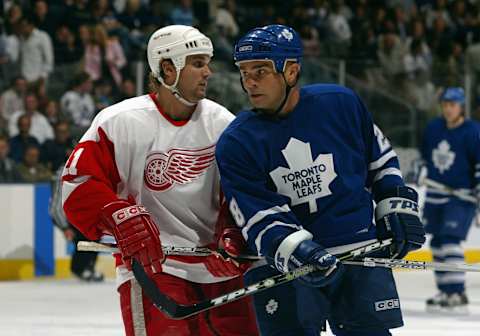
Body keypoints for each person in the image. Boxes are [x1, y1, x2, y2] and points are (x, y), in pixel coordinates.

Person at [215, 24, 426, 336]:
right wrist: (297, 250)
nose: (249, 82)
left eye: (260, 70)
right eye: (244, 72)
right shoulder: (236, 141)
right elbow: (256, 212)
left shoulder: (341, 104)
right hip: (286, 267)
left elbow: (380, 161)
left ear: (291, 71)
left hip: (359, 255)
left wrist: (396, 207)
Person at [61, 25, 258, 336]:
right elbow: (78, 183)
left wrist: (236, 233)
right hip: (154, 270)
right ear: (168, 69)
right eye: (197, 64)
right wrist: (115, 215)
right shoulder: (120, 122)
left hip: (220, 271)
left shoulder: (222, 122)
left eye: (207, 63)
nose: (208, 72)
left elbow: (244, 192)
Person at [416, 87, 480, 313]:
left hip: (461, 197)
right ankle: (445, 290)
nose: (448, 109)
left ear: (461, 106)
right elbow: (423, 156)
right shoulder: (434, 128)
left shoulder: (473, 132)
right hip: (435, 196)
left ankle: (457, 291)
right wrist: (422, 170)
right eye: (445, 104)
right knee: (436, 243)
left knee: (451, 241)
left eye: (452, 105)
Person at [50, 167, 104, 282]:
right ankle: (79, 268)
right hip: (70, 215)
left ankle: (88, 266)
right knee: (84, 237)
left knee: (94, 234)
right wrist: (64, 227)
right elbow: (56, 206)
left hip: (84, 214)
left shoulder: (90, 167)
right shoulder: (64, 172)